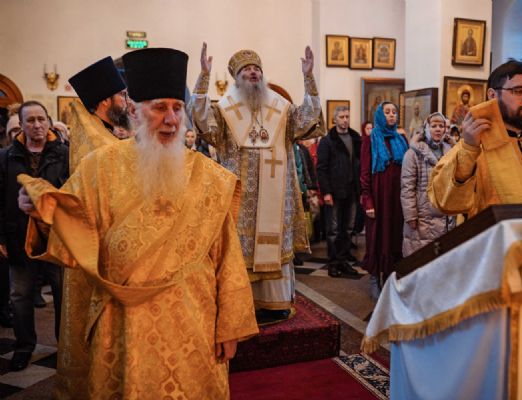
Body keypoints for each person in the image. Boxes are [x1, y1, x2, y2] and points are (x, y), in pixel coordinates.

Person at [17, 47, 258, 399]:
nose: (171, 119)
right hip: (121, 321)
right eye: (159, 108)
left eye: (177, 108)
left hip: (193, 320)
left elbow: (227, 256)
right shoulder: (99, 166)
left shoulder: (209, 176)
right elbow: (72, 230)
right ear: (134, 111)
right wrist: (40, 212)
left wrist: (230, 325)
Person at [190, 43, 323, 324]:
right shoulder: (225, 110)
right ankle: (241, 303)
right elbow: (201, 121)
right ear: (236, 77)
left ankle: (275, 303)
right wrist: (203, 76)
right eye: (246, 69)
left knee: (274, 246)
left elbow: (308, 120)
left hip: (276, 198)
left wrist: (308, 77)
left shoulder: (281, 108)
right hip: (241, 200)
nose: (253, 72)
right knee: (239, 249)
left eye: (256, 69)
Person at [51, 56, 130, 398]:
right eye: (122, 95)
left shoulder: (101, 136)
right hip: (99, 255)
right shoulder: (100, 147)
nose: (127, 101)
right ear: (105, 101)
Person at [428, 59, 522, 218]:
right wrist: (468, 150)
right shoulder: (473, 147)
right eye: (519, 91)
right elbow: (442, 204)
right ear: (492, 95)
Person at [0, 101, 68, 371]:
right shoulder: (6, 157)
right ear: (21, 125)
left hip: (56, 237)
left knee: (63, 295)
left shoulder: (65, 154)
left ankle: (65, 348)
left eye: (41, 119)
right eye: (30, 120)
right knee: (20, 296)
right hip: (18, 236)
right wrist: (1, 238)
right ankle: (24, 346)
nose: (37, 125)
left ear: (49, 121)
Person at [360, 102, 408, 299]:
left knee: (394, 237)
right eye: (387, 112)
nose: (391, 115)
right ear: (380, 115)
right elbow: (365, 174)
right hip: (378, 198)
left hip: (397, 199)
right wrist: (368, 201)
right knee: (377, 238)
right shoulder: (370, 140)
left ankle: (389, 279)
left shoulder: (401, 139)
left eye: (394, 112)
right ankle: (374, 279)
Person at [401, 112, 455, 257]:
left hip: (445, 213)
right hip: (423, 216)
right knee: (421, 255)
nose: (438, 129)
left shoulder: (451, 151)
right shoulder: (413, 153)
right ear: (426, 128)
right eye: (434, 126)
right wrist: (410, 215)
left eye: (441, 126)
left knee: (442, 256)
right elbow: (407, 187)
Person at [317, 106, 361, 278]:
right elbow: (321, 168)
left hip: (352, 190)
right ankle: (333, 263)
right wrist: (326, 192)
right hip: (334, 191)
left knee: (348, 228)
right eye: (341, 117)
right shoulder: (327, 141)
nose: (345, 120)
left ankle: (343, 261)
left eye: (347, 116)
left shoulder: (355, 138)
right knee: (333, 229)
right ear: (334, 119)